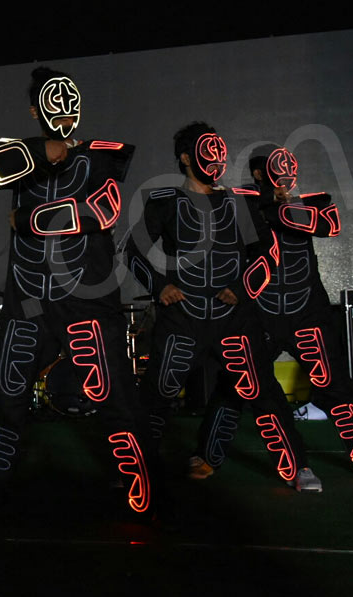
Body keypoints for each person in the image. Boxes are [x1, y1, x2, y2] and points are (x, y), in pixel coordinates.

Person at [0, 66, 156, 521]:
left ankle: (146, 496)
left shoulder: (103, 156)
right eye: (51, 99)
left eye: (68, 98)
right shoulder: (19, 156)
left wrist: (27, 221)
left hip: (87, 301)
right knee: (6, 398)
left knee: (115, 398)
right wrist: (44, 153)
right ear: (34, 109)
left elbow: (102, 212)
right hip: (30, 303)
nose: (62, 108)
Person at [121, 122, 321, 492]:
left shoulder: (238, 202)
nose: (216, 158)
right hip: (183, 318)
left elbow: (266, 252)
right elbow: (132, 251)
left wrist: (243, 288)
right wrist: (160, 285)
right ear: (185, 157)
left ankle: (298, 467)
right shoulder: (165, 202)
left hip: (234, 319)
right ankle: (136, 470)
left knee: (262, 391)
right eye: (205, 150)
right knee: (157, 396)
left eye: (219, 150)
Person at [188, 146, 353, 483]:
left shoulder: (308, 203)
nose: (283, 175)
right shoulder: (241, 205)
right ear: (258, 174)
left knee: (335, 385)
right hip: (259, 314)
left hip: (306, 313)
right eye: (273, 169)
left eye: (287, 168)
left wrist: (282, 207)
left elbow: (331, 224)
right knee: (235, 385)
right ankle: (207, 455)